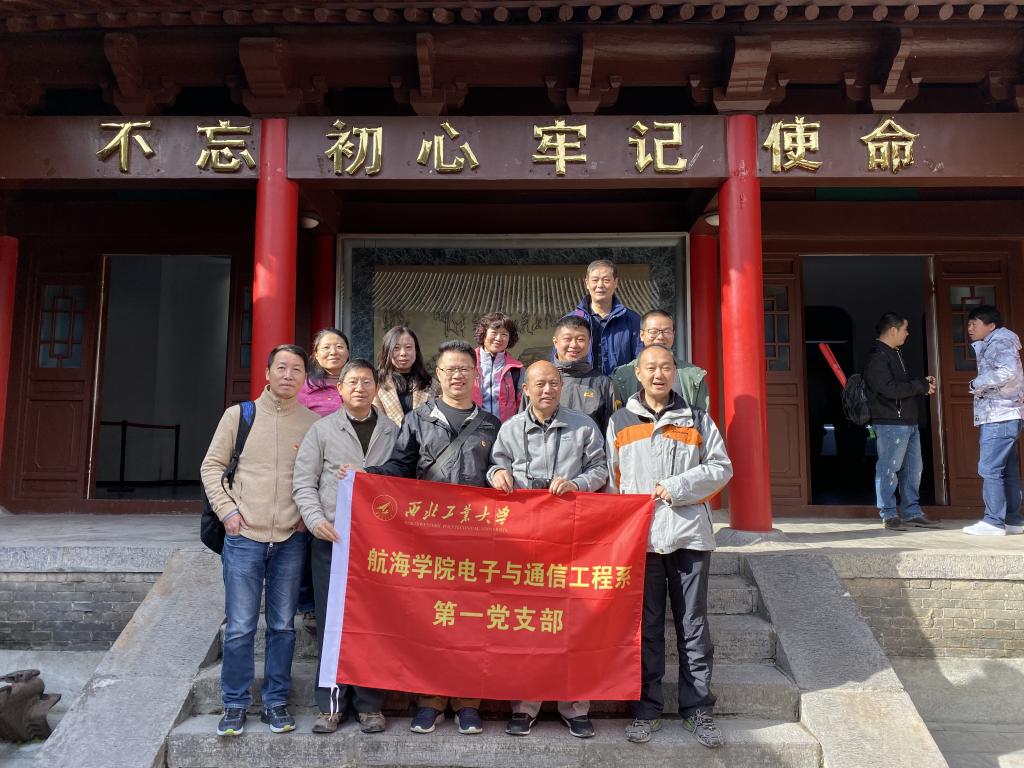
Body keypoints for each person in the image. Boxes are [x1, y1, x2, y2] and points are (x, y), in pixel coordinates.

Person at [365, 339, 501, 735]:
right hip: (428, 539)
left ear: (475, 374)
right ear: (438, 375)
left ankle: (468, 701)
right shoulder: (418, 419)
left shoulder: (491, 424)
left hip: (477, 539)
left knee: (471, 620)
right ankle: (431, 699)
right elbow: (400, 467)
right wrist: (367, 477)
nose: (457, 375)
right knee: (433, 620)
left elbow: (501, 470)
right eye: (449, 369)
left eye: (464, 369)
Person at [606, 344, 732, 749]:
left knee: (693, 626)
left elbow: (721, 468)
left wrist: (676, 487)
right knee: (647, 628)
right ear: (637, 374)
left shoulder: (697, 418)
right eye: (651, 368)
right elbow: (612, 481)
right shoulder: (620, 421)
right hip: (641, 541)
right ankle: (647, 709)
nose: (658, 374)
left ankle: (698, 710)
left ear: (675, 372)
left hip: (688, 535)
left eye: (665, 367)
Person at [200, 344, 320, 737]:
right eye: (281, 367)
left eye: (297, 369)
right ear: (267, 373)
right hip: (244, 536)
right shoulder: (239, 416)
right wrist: (227, 512)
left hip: (290, 539)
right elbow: (212, 466)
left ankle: (275, 702)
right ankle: (234, 704)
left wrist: (306, 516)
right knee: (240, 626)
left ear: (305, 378)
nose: (288, 375)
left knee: (283, 626)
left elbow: (318, 476)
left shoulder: (312, 423)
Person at [487, 360, 608, 739]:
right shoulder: (510, 428)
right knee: (528, 624)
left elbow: (601, 469)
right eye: (539, 384)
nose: (547, 390)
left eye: (554, 383)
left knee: (573, 623)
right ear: (525, 389)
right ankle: (525, 706)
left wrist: (577, 484)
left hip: (572, 542)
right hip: (524, 544)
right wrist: (497, 474)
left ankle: (576, 706)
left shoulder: (582, 426)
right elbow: (495, 465)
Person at [293, 358, 399, 735]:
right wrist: (315, 519)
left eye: (367, 382)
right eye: (352, 382)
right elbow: (303, 481)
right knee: (332, 622)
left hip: (378, 543)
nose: (359, 388)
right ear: (339, 389)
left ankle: (370, 706)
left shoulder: (391, 430)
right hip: (332, 539)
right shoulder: (322, 430)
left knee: (374, 622)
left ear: (376, 388)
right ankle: (331, 705)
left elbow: (402, 479)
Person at [863, 312, 941, 531]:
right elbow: (888, 389)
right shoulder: (878, 356)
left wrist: (920, 384)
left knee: (913, 470)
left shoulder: (894, 353)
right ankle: (888, 514)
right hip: (890, 422)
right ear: (893, 330)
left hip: (908, 421)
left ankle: (912, 512)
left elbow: (899, 386)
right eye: (905, 329)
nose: (907, 334)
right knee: (888, 469)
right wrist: (919, 386)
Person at [963, 305, 1024, 536]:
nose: (969, 328)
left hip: (999, 415)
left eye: (974, 323)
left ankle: (993, 522)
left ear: (991, 326)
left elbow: (1007, 372)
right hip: (1005, 414)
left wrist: (976, 383)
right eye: (969, 324)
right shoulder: (998, 341)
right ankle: (1012, 521)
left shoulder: (1000, 341)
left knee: (989, 468)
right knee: (1007, 471)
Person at [529, 315, 620, 435]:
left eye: (580, 339)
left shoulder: (604, 384)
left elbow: (613, 433)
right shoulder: (537, 379)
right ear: (555, 342)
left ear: (589, 343)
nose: (574, 345)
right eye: (567, 339)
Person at [611, 309, 709, 409]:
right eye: (653, 332)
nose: (660, 337)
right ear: (641, 335)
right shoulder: (622, 375)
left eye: (666, 331)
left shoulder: (694, 376)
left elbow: (701, 416)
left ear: (673, 334)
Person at [566, 259, 641, 375]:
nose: (600, 285)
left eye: (606, 280)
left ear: (616, 283)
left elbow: (640, 360)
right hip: (581, 384)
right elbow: (559, 361)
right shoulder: (570, 320)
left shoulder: (632, 320)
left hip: (620, 385)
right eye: (595, 280)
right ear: (587, 283)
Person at [373, 325, 432, 426]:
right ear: (387, 351)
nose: (403, 353)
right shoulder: (376, 382)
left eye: (408, 347)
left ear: (416, 350)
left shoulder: (430, 383)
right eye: (396, 348)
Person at [471, 312, 524, 420]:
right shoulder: (468, 363)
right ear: (483, 334)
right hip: (472, 426)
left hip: (505, 427)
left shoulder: (517, 369)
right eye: (494, 332)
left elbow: (522, 404)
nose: (498, 338)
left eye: (504, 334)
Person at [297, 328, 350, 417]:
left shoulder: (359, 383)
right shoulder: (304, 386)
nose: (333, 352)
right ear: (316, 354)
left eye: (339, 347)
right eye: (326, 347)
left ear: (348, 352)